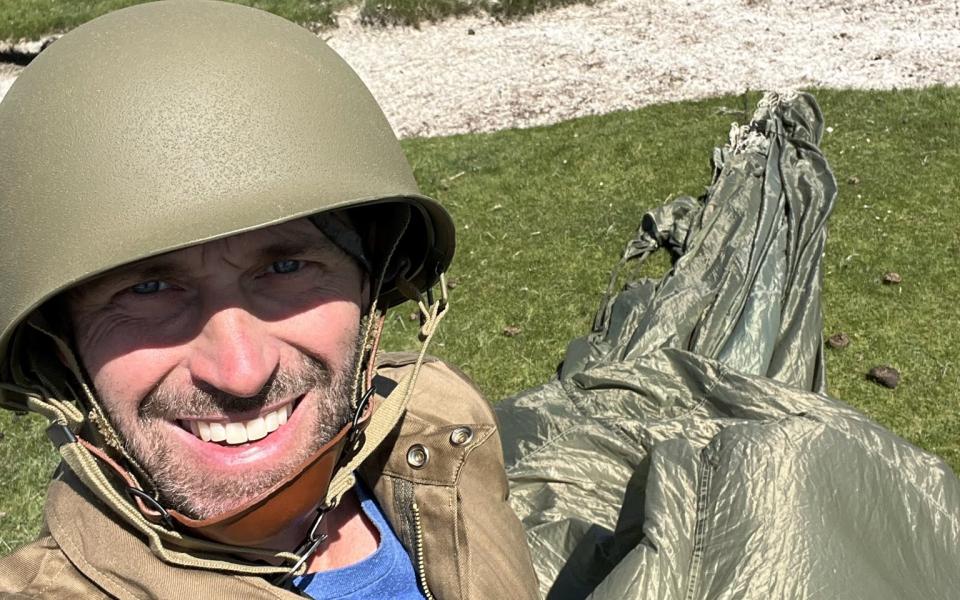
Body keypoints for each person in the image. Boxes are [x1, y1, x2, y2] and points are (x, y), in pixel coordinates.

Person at [2, 2, 958, 599]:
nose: (242, 370)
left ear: (375, 289)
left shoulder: (436, 432)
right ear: (56, 347)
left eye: (286, 268)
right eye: (150, 288)